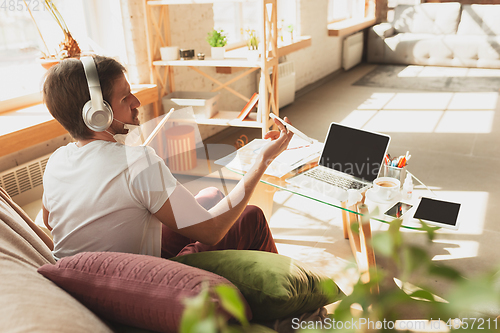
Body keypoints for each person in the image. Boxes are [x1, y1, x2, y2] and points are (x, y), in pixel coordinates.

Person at [41, 55, 293, 260]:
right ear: (97, 114)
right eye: (125, 97)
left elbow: (50, 223)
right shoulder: (137, 162)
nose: (136, 102)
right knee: (252, 218)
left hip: (91, 278)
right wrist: (262, 161)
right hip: (141, 282)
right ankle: (293, 311)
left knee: (208, 196)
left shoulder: (56, 161)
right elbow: (212, 232)